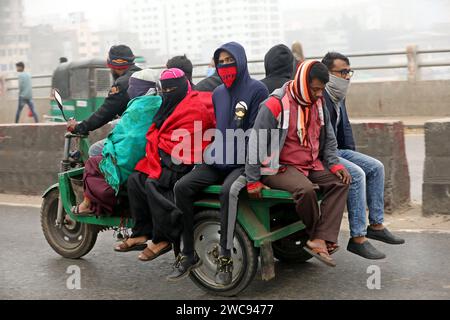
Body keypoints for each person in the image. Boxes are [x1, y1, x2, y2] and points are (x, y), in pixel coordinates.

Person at [171, 42, 269, 284]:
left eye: (230, 60)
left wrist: (252, 169)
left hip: (243, 162)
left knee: (228, 192)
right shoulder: (218, 93)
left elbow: (259, 134)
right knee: (181, 187)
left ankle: (225, 257)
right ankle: (188, 253)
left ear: (241, 61)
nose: (225, 66)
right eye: (221, 62)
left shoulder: (258, 90)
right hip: (219, 158)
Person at [246, 60, 351, 268]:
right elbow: (256, 142)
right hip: (278, 167)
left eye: (322, 90)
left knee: (341, 182)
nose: (319, 94)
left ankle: (319, 238)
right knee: (306, 190)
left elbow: (329, 139)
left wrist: (335, 164)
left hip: (310, 164)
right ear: (303, 83)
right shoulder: (275, 104)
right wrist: (252, 180)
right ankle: (317, 237)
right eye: (315, 89)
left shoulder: (318, 104)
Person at [116, 68, 215, 263]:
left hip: (187, 162)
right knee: (135, 179)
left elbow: (191, 141)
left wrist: (166, 155)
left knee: (153, 183)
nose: (168, 93)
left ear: (182, 86)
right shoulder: (169, 105)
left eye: (172, 90)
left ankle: (163, 238)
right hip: (167, 157)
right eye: (165, 90)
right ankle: (141, 232)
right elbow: (161, 129)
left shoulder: (194, 106)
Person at [322, 52, 405, 259]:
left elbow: (345, 129)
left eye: (349, 72)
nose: (347, 77)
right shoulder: (320, 96)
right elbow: (321, 140)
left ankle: (376, 225)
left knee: (375, 167)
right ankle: (357, 238)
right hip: (322, 153)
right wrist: (345, 164)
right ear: (328, 74)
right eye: (342, 72)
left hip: (337, 150)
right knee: (357, 175)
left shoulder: (338, 95)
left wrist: (352, 156)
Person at [72, 69, 160, 216]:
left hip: (131, 154)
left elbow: (127, 136)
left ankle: (89, 203)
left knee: (94, 156)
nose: (130, 90)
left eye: (133, 87)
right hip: (147, 150)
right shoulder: (156, 101)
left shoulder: (137, 106)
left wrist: (109, 146)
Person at [67, 45, 141, 156]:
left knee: (94, 150)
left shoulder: (122, 83)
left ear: (112, 65)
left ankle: (108, 174)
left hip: (135, 134)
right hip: (147, 129)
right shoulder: (142, 75)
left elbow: (105, 112)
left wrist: (79, 127)